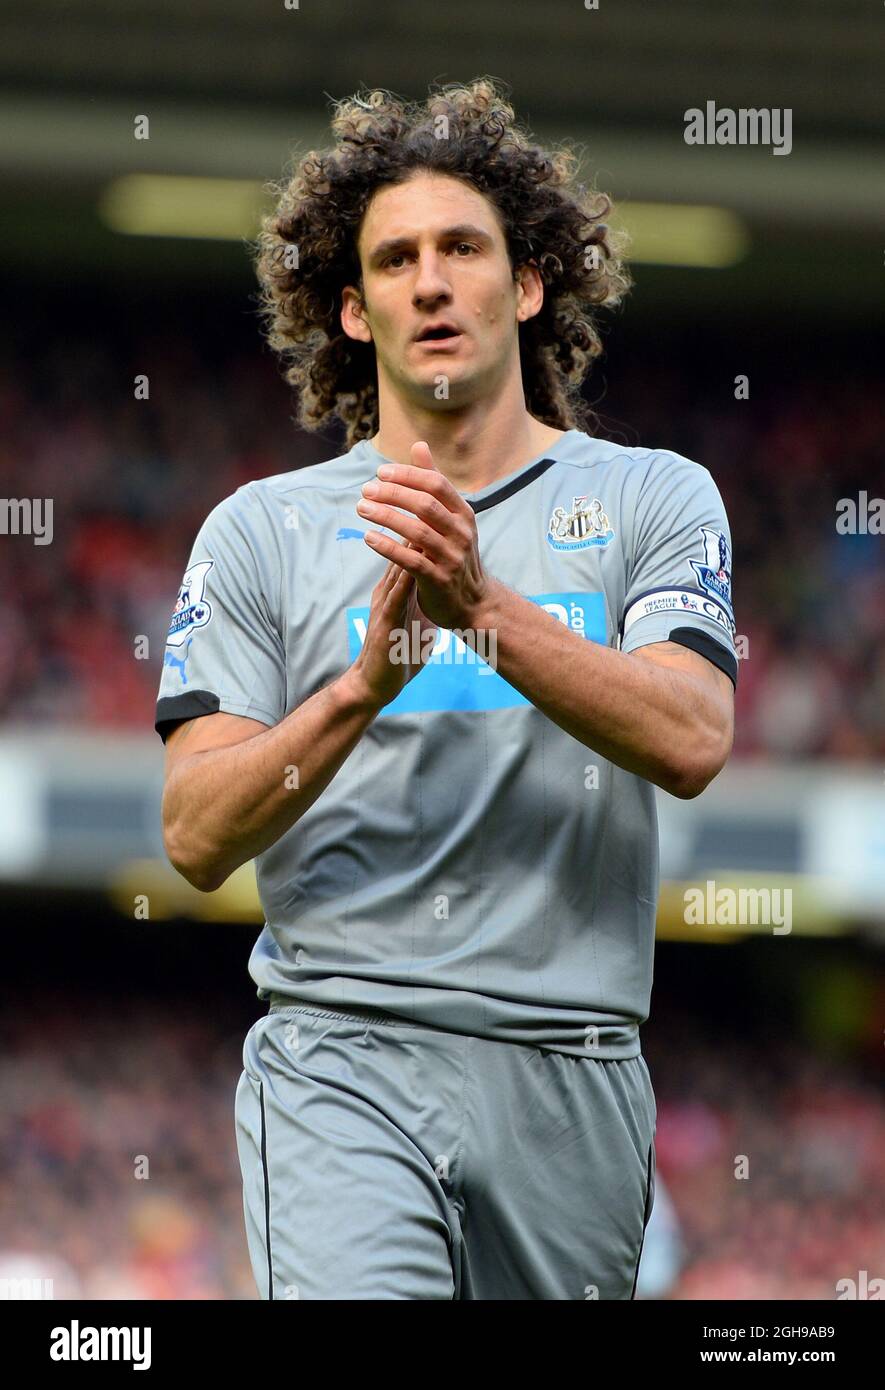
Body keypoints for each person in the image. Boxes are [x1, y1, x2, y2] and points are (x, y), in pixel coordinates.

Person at [155, 78, 737, 1300]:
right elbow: (196, 833)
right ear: (353, 311)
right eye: (395, 259)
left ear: (526, 286)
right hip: (341, 1055)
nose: (429, 280)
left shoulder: (655, 501)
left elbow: (691, 736)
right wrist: (358, 690)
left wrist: (482, 611)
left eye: (462, 248)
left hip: (573, 1068)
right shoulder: (259, 532)